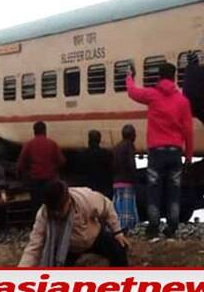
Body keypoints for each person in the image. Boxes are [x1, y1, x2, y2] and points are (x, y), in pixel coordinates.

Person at [126, 62, 194, 238]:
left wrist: (129, 77)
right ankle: (171, 228)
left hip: (156, 153)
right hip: (175, 152)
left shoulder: (152, 95)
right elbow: (188, 130)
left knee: (154, 191)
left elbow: (132, 92)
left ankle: (153, 228)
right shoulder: (183, 101)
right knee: (174, 191)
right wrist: (188, 156)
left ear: (159, 77)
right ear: (173, 77)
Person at [18, 179, 130, 267]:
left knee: (119, 249)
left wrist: (117, 232)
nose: (57, 213)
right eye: (54, 211)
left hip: (94, 237)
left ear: (68, 201)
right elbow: (34, 246)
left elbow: (107, 207)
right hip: (67, 247)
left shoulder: (84, 198)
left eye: (60, 209)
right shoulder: (44, 215)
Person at [17, 121, 66, 211]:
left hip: (35, 181)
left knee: (37, 206)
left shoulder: (29, 145)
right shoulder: (52, 144)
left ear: (34, 131)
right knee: (51, 205)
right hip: (50, 180)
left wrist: (22, 176)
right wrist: (54, 169)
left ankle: (38, 222)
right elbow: (62, 161)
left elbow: (20, 164)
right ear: (45, 131)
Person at [112, 124, 139, 232]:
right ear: (132, 135)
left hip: (116, 181)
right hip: (127, 181)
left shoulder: (116, 147)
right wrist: (135, 177)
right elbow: (131, 163)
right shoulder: (129, 146)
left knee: (118, 206)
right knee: (127, 208)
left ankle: (118, 227)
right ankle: (126, 228)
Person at [79, 130, 113, 198]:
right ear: (99, 140)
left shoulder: (82, 154)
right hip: (102, 188)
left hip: (87, 188)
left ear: (89, 140)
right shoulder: (106, 154)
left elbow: (79, 171)